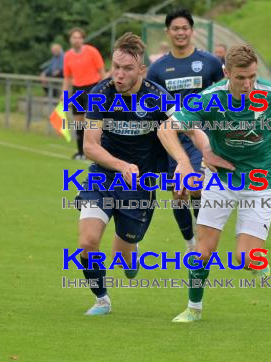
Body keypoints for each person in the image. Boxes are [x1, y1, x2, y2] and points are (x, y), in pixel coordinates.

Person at [157, 44, 271, 322]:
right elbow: (166, 128)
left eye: (252, 76)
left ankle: (257, 261)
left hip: (262, 180)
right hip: (222, 178)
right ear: (226, 73)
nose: (248, 84)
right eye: (241, 78)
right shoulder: (210, 98)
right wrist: (183, 161)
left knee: (244, 258)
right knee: (203, 249)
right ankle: (193, 308)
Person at [75, 32, 176, 315]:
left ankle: (131, 254)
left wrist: (187, 166)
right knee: (87, 241)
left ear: (141, 70)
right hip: (104, 174)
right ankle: (102, 300)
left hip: (140, 185)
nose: (119, 74)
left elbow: (185, 132)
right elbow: (90, 146)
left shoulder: (158, 98)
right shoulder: (100, 93)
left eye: (127, 69)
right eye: (115, 67)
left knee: (124, 259)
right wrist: (120, 165)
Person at [147, 9, 225, 254]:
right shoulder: (158, 68)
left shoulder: (210, 63)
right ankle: (189, 239)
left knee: (196, 187)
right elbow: (151, 105)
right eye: (175, 29)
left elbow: (223, 95)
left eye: (184, 28)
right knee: (178, 194)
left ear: (192, 31)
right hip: (172, 138)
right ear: (168, 32)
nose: (180, 32)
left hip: (200, 135)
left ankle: (201, 243)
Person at [62, 27, 106, 160]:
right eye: (74, 37)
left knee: (92, 121)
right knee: (78, 122)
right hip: (77, 90)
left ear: (83, 39)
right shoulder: (68, 56)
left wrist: (105, 89)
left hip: (92, 88)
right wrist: (64, 95)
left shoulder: (92, 52)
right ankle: (80, 152)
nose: (77, 40)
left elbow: (101, 71)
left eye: (79, 37)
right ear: (70, 40)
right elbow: (67, 78)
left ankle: (96, 150)